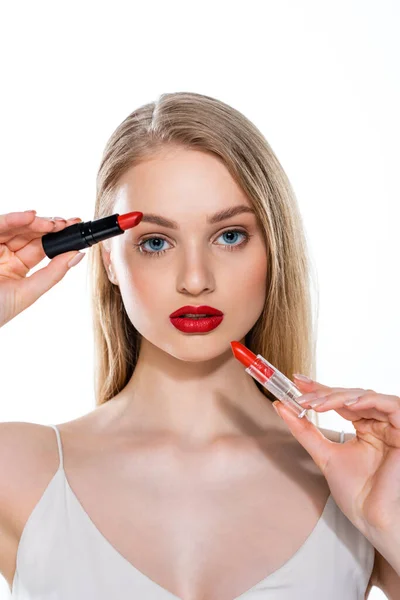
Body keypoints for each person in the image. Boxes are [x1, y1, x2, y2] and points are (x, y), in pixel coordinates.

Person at [0, 92, 379, 598]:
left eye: (229, 236)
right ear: (108, 260)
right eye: (156, 241)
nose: (196, 280)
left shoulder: (364, 474)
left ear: (273, 246)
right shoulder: (17, 468)